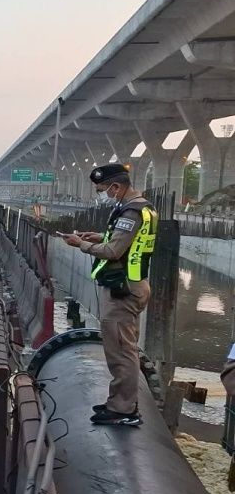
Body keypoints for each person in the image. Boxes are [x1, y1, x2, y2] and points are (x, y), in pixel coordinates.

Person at [61, 163, 156, 426]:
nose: (102, 194)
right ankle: (118, 402)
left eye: (103, 189)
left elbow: (114, 252)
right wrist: (100, 236)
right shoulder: (142, 207)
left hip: (123, 289)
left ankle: (124, 410)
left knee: (122, 351)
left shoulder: (131, 211)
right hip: (131, 284)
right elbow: (128, 241)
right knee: (121, 348)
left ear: (116, 186)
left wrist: (81, 244)